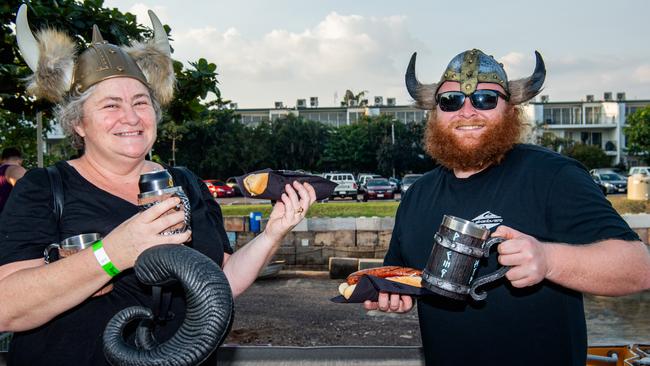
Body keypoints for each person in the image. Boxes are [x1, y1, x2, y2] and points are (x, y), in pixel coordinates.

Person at [0, 6, 316, 365]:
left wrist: (271, 234)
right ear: (79, 124)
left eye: (140, 102)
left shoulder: (186, 182)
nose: (131, 117)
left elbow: (221, 280)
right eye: (111, 105)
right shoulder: (44, 188)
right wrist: (113, 253)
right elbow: (6, 309)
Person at [364, 49, 650, 365]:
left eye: (485, 99)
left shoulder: (553, 176)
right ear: (435, 113)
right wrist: (392, 293)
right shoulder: (417, 194)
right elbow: (402, 277)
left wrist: (548, 260)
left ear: (510, 109)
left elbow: (639, 268)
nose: (467, 111)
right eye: (451, 102)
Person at [0, 147, 26, 213]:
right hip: (10, 219)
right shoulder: (16, 170)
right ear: (20, 160)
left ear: (2, 159)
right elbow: (28, 194)